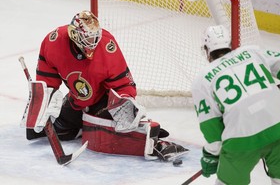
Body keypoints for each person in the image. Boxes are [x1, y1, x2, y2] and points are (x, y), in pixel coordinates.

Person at [23, 10, 188, 161]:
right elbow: (47, 81)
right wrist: (42, 101)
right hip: (77, 99)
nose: (93, 42)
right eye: (87, 38)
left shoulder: (107, 46)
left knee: (115, 132)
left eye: (95, 36)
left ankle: (156, 143)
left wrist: (123, 105)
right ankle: (83, 125)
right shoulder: (54, 41)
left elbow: (123, 84)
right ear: (73, 35)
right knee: (50, 132)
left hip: (105, 100)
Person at [191, 25, 280, 184]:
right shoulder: (253, 52)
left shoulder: (201, 80)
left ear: (207, 50)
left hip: (241, 139)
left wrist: (211, 156)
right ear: (230, 44)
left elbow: (211, 126)